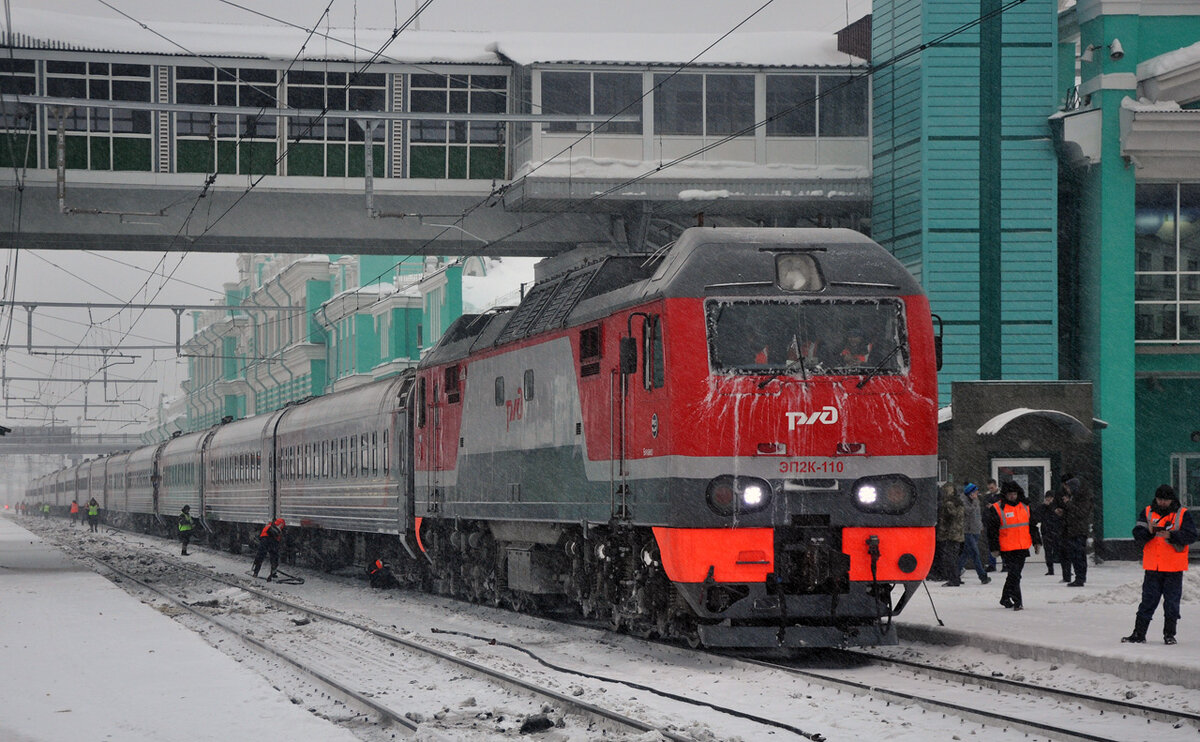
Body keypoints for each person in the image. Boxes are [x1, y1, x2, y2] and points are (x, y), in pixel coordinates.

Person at [1122, 485, 1197, 645]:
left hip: (1173, 567)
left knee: (1171, 603)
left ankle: (1169, 635)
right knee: (1148, 601)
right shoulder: (1148, 512)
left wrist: (1172, 535)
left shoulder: (1182, 514)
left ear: (1172, 499)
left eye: (1166, 500)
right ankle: (1139, 634)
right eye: (1160, 499)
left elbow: (1191, 535)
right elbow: (1137, 533)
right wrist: (1150, 532)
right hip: (1153, 566)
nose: (1162, 502)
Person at [985, 481, 1041, 611]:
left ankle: (1005, 597)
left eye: (1014, 494)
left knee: (1014, 574)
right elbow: (992, 531)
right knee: (1015, 574)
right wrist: (994, 548)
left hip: (1022, 546)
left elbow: (1032, 526)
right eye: (1010, 494)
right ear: (1005, 494)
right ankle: (1018, 601)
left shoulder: (1025, 507)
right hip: (1007, 547)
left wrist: (1036, 541)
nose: (1012, 496)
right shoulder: (997, 508)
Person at [1056, 476, 1092, 586]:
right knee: (1076, 555)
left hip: (1078, 531)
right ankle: (1080, 577)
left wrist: (1068, 504)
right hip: (1073, 530)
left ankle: (1080, 578)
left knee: (1078, 555)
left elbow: (1081, 513)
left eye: (1068, 488)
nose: (1066, 490)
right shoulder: (1075, 497)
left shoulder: (1082, 498)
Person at [957, 483, 990, 584]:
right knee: (975, 553)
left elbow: (977, 514)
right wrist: (974, 504)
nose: (977, 494)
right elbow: (968, 512)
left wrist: (980, 525)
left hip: (976, 530)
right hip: (967, 531)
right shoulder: (963, 500)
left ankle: (955, 574)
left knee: (965, 554)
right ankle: (982, 575)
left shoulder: (976, 500)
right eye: (975, 492)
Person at [935, 482, 965, 585]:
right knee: (954, 557)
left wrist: (942, 533)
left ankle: (953, 579)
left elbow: (947, 519)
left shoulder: (948, 504)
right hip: (958, 533)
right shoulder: (959, 502)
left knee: (949, 558)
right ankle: (956, 577)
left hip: (950, 534)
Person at [1034, 490, 1063, 575]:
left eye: (1050, 498)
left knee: (1060, 550)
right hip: (1046, 531)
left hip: (1056, 531)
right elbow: (1037, 517)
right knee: (1048, 551)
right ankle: (1050, 569)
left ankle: (1065, 569)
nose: (1049, 499)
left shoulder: (1056, 507)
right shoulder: (1042, 507)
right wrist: (1044, 507)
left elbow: (1058, 516)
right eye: (1047, 498)